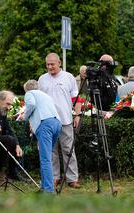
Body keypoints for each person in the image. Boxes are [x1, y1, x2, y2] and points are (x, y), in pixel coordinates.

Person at [38, 53, 82, 188]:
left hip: (65, 119)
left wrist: (77, 115)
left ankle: (72, 179)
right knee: (51, 151)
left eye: (52, 64)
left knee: (68, 150)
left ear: (59, 63)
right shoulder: (42, 79)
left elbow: (76, 98)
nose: (50, 67)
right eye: (47, 64)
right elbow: (38, 100)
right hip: (48, 120)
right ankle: (54, 178)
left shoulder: (69, 77)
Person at [21, 80, 62, 193]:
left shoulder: (30, 93)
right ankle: (45, 185)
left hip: (45, 125)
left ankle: (48, 190)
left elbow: (31, 104)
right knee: (47, 156)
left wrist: (24, 117)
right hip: (57, 123)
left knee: (45, 158)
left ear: (26, 89)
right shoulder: (45, 95)